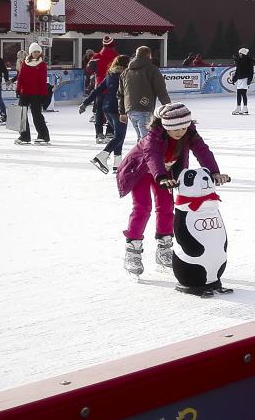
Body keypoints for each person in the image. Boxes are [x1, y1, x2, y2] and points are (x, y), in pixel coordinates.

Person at [116, 102, 229, 277]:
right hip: (140, 171)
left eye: (183, 128)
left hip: (164, 174)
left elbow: (202, 150)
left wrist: (214, 172)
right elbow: (152, 155)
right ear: (165, 126)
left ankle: (164, 248)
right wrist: (161, 177)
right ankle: (133, 250)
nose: (180, 132)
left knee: (167, 207)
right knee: (142, 208)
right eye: (175, 129)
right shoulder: (154, 136)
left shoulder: (189, 132)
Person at [81, 55, 129, 173]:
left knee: (119, 136)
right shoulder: (126, 76)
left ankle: (117, 165)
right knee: (119, 136)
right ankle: (101, 156)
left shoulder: (110, 75)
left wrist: (85, 103)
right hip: (119, 109)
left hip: (107, 108)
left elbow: (96, 90)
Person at [119, 45, 171, 142]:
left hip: (130, 110)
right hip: (144, 108)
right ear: (149, 55)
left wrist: (122, 112)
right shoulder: (152, 70)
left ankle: (140, 151)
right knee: (147, 140)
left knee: (142, 139)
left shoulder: (126, 72)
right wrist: (169, 107)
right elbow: (161, 91)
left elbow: (121, 94)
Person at [14, 43, 51, 145]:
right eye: (34, 51)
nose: (36, 53)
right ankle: (24, 136)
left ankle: (43, 136)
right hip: (24, 92)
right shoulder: (25, 63)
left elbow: (43, 81)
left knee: (37, 115)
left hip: (36, 93)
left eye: (38, 52)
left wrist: (43, 94)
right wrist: (18, 89)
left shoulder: (42, 64)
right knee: (22, 114)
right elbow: (20, 77)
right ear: (31, 52)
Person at [232, 48, 254, 115]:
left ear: (243, 54)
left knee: (243, 93)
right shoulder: (240, 61)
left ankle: (245, 108)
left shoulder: (248, 61)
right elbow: (237, 71)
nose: (239, 54)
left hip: (245, 79)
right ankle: (238, 107)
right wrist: (234, 79)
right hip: (240, 79)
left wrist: (249, 79)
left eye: (240, 53)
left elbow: (251, 71)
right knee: (239, 93)